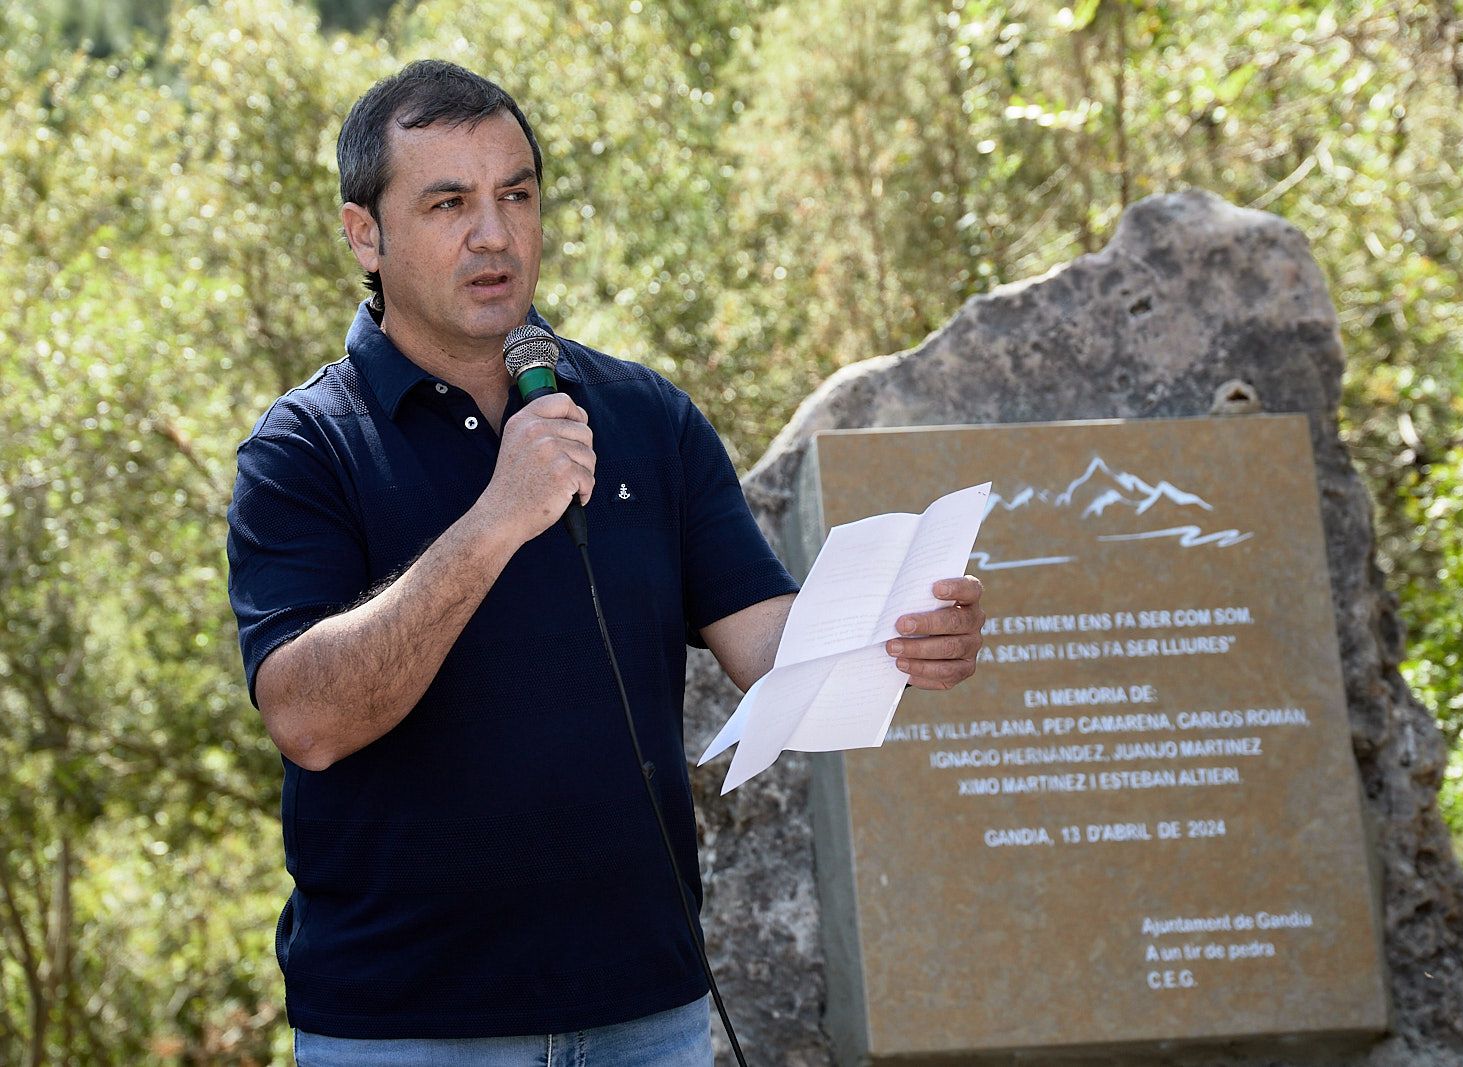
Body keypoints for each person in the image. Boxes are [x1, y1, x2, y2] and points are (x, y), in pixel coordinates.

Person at [226, 60, 985, 1065]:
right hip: (408, 1023)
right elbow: (309, 718)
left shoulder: (644, 416)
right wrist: (498, 516)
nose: (493, 233)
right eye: (448, 202)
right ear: (363, 233)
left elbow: (762, 635)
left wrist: (895, 632)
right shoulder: (306, 446)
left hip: (646, 1008)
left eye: (517, 195)